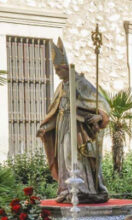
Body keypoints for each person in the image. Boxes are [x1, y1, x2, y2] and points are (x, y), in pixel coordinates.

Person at [37, 38, 110, 204]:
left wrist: (99, 116)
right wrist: (46, 127)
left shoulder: (81, 83)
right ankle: (67, 189)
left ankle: (83, 189)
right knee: (63, 156)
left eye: (58, 70)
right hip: (63, 124)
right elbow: (56, 111)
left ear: (65, 68)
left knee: (74, 155)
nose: (56, 73)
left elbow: (101, 104)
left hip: (78, 128)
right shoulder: (61, 87)